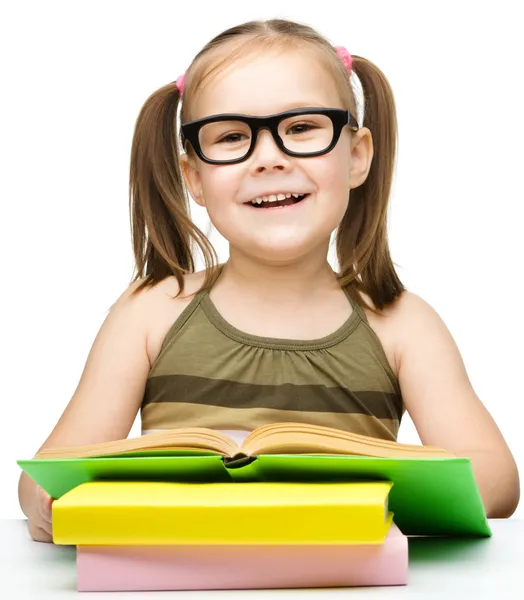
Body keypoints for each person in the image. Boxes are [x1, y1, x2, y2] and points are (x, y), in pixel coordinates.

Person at [19, 18, 519, 543]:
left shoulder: (402, 325)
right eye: (233, 137)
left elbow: (497, 482)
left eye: (302, 127)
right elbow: (44, 476)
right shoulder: (151, 312)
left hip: (343, 576)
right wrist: (50, 504)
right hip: (176, 574)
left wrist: (363, 495)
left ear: (357, 155)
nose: (269, 158)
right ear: (194, 177)